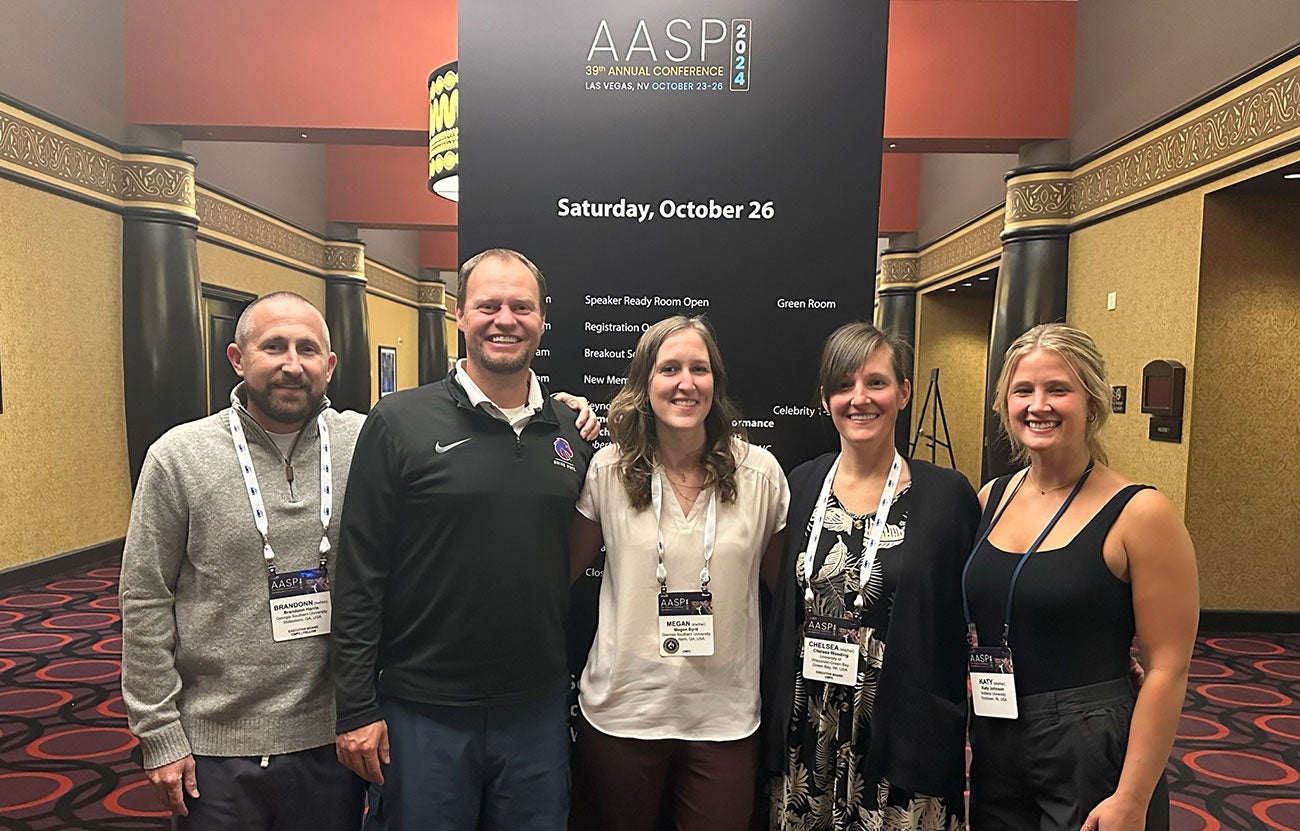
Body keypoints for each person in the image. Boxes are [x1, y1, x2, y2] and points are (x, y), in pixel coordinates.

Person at [331, 248, 596, 831]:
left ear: (544, 319)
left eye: (521, 307)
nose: (505, 319)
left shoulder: (570, 432)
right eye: (489, 305)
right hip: (422, 708)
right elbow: (360, 572)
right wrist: (354, 707)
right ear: (459, 313)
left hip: (536, 706)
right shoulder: (398, 421)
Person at [120, 292, 367, 829]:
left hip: (333, 738)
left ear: (329, 366)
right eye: (273, 346)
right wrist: (157, 732)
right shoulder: (178, 455)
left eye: (307, 349)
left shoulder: (368, 442)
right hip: (214, 744)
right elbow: (144, 597)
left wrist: (565, 413)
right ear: (237, 358)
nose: (291, 364)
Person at [964, 323, 1198, 831]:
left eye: (1058, 389)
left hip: (1090, 745)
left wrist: (1132, 798)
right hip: (996, 732)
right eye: (1023, 390)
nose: (1038, 405)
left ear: (1092, 403)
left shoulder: (1140, 513)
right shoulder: (990, 498)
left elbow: (1167, 668)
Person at [569, 315, 789, 831]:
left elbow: (787, 593)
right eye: (670, 368)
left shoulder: (760, 475)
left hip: (725, 717)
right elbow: (559, 572)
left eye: (699, 369)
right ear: (646, 383)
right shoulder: (608, 470)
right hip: (623, 712)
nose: (686, 383)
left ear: (716, 383)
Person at [763, 322, 979, 831]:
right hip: (808, 730)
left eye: (876, 383)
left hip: (902, 731)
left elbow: (987, 597)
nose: (859, 398)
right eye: (843, 385)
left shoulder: (947, 497)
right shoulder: (802, 483)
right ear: (825, 399)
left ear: (903, 392)